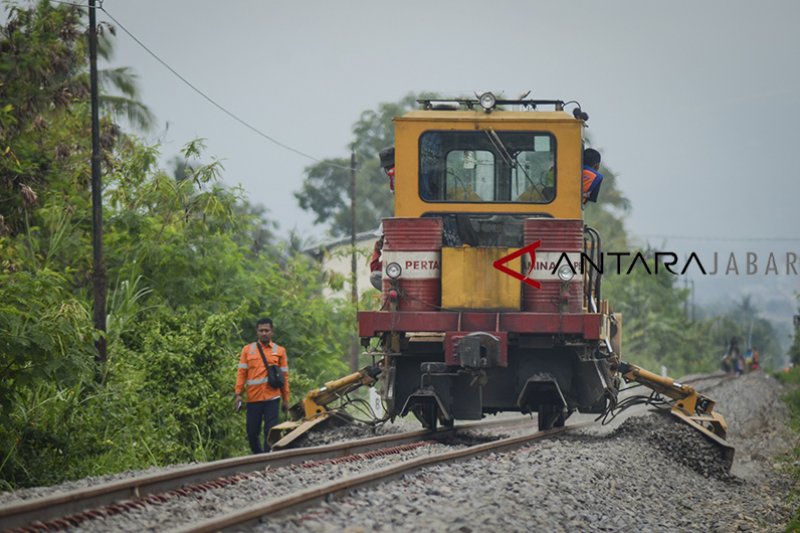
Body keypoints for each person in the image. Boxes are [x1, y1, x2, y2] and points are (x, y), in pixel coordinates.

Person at [235, 318, 290, 453]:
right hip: (253, 399)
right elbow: (242, 373)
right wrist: (238, 394)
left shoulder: (280, 351)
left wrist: (286, 399)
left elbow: (285, 377)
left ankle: (266, 457)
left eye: (267, 330)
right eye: (261, 331)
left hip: (272, 398)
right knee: (252, 432)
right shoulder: (247, 350)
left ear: (272, 332)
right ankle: (258, 456)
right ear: (257, 332)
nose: (264, 333)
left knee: (270, 431)